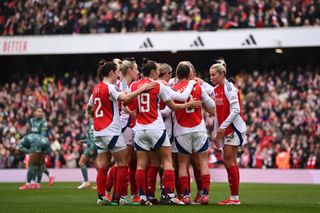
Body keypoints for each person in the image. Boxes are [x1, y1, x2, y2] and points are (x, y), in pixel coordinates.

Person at [129, 59, 201, 205]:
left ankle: (143, 197)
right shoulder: (158, 86)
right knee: (168, 162)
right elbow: (176, 103)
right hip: (156, 127)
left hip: (139, 129)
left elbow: (129, 105)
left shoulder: (134, 85)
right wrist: (189, 102)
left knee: (141, 165)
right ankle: (168, 195)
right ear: (153, 72)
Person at [88, 60, 157, 206]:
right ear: (112, 72)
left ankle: (102, 197)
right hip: (112, 130)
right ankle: (123, 197)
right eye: (117, 72)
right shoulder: (110, 87)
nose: (118, 75)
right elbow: (125, 99)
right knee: (123, 162)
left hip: (98, 131)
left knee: (103, 165)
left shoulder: (96, 88)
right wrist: (141, 89)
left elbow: (90, 109)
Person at [170, 61, 215, 205]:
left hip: (181, 131)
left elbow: (169, 109)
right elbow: (212, 105)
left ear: (177, 75)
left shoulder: (173, 89)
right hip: (199, 129)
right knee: (203, 162)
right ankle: (205, 195)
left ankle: (186, 196)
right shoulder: (197, 87)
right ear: (190, 74)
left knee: (183, 165)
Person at [209, 59, 247, 205]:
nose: (211, 77)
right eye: (210, 75)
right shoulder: (217, 89)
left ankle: (234, 198)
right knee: (229, 161)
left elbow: (236, 110)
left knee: (228, 160)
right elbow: (219, 113)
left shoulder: (229, 88)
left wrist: (221, 128)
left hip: (234, 128)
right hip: (227, 129)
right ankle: (234, 197)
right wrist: (216, 131)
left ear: (222, 74)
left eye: (213, 75)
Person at [76, 108, 97, 189]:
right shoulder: (93, 122)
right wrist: (83, 141)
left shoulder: (91, 123)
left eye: (86, 113)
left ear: (89, 114)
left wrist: (84, 141)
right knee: (97, 165)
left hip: (92, 146)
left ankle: (86, 181)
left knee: (81, 162)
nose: (85, 115)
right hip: (96, 146)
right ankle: (101, 184)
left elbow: (92, 138)